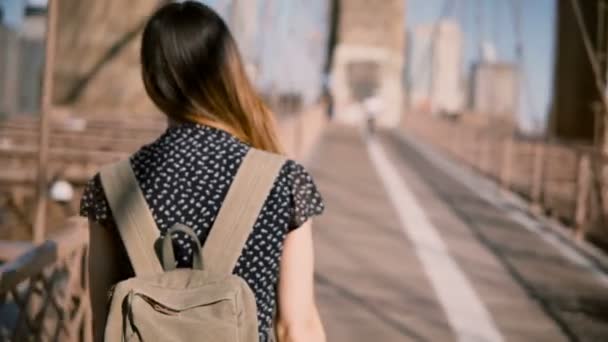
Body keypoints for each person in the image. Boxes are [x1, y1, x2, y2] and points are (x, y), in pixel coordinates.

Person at [79, 2, 326, 342]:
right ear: (229, 72)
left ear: (152, 78)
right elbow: (296, 328)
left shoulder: (109, 188)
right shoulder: (283, 182)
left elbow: (102, 326)